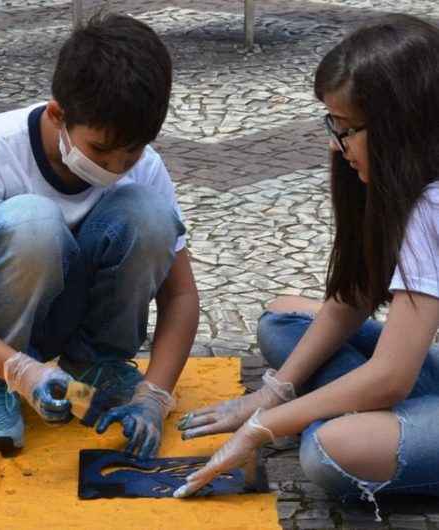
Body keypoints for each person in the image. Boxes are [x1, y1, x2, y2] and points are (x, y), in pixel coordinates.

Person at [175, 13, 439, 515]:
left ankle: (353, 421)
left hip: (402, 381)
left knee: (329, 453)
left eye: (346, 129)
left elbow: (391, 379)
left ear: (400, 126)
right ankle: (350, 413)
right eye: (331, 125)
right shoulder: (402, 184)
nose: (334, 146)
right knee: (284, 321)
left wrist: (265, 426)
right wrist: (272, 396)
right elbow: (355, 296)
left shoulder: (432, 204)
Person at [0, 13, 199, 459]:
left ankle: (97, 365)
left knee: (150, 214)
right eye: (101, 149)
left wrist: (154, 396)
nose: (116, 166)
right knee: (32, 223)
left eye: (133, 150)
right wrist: (17, 370)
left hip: (76, 313)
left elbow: (181, 297)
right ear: (57, 114)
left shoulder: (144, 168)